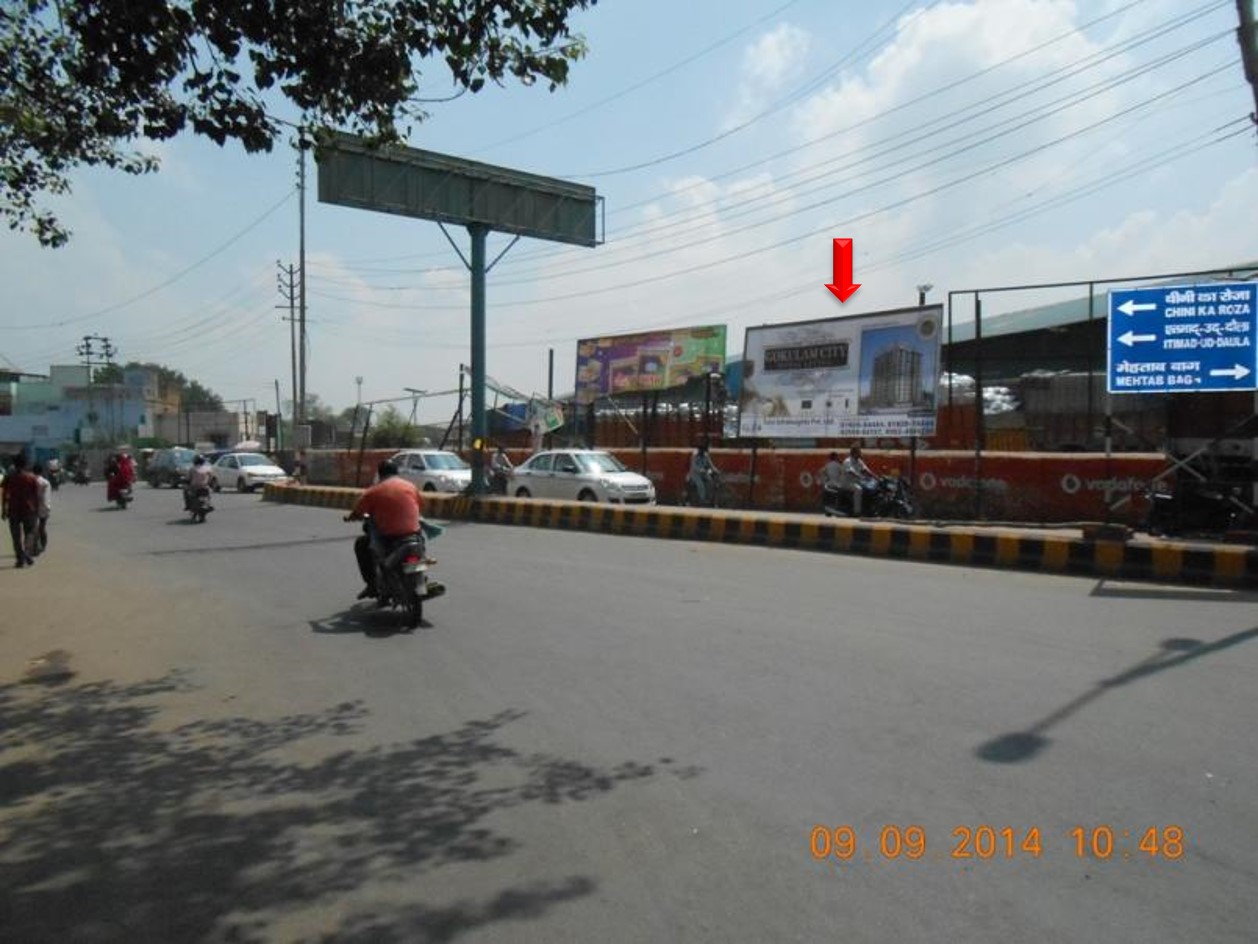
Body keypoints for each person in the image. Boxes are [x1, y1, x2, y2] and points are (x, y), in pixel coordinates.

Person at [345, 459, 424, 600]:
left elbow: (357, 512)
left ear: (380, 474)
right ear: (396, 472)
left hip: (390, 538)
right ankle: (418, 580)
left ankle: (372, 585)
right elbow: (420, 505)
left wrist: (350, 517)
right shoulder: (411, 486)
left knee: (361, 544)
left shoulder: (373, 491)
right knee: (419, 549)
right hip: (414, 536)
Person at [1, 452, 40, 567]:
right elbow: (36, 496)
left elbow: (4, 494)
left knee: (15, 536)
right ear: (26, 464)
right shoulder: (31, 478)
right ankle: (27, 554)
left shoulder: (9, 477)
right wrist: (36, 510)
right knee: (30, 533)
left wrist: (3, 509)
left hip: (13, 510)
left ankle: (20, 559)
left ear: (14, 464)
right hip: (28, 509)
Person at [839, 444, 875, 515]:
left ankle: (867, 508)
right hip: (847, 483)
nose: (860, 453)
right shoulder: (848, 461)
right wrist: (859, 476)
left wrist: (875, 477)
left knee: (869, 488)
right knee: (858, 489)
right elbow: (851, 471)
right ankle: (857, 511)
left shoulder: (859, 461)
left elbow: (865, 470)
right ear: (854, 453)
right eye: (859, 452)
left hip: (857, 481)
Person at [31, 462, 51, 555]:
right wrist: (47, 507)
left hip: (32, 507)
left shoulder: (30, 480)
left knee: (33, 528)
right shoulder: (45, 482)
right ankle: (43, 545)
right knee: (42, 527)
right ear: (42, 471)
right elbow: (46, 497)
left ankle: (34, 546)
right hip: (43, 507)